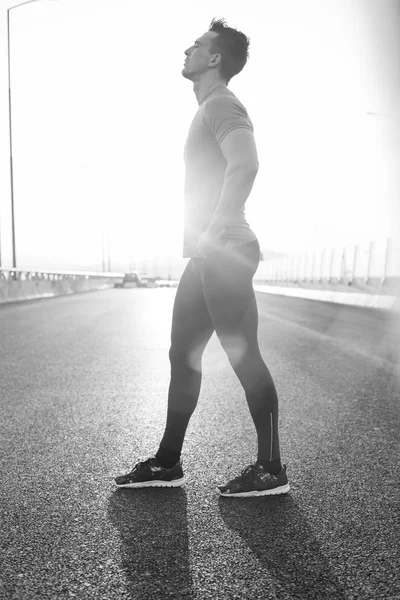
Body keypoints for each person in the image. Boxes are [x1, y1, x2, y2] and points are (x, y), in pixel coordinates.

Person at [115, 18, 290, 498]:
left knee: (242, 354)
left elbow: (247, 163)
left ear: (214, 59)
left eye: (197, 44)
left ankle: (271, 468)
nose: (187, 48)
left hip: (226, 248)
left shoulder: (223, 104)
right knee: (183, 355)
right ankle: (168, 462)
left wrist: (214, 228)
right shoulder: (208, 107)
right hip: (206, 255)